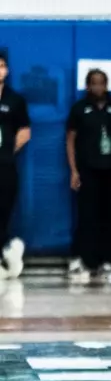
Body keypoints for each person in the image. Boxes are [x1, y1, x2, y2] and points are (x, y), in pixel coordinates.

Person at [64, 68, 111, 282]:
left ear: (107, 85)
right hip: (88, 171)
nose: (97, 87)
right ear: (87, 86)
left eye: (101, 83)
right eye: (93, 83)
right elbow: (70, 140)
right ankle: (82, 259)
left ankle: (107, 260)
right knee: (86, 217)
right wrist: (74, 170)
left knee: (109, 217)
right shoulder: (79, 109)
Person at [0, 52, 31, 279]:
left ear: (7, 70)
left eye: (1, 66)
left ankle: (5, 256)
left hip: (5, 165)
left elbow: (25, 132)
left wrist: (8, 151)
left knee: (3, 211)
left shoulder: (15, 100)